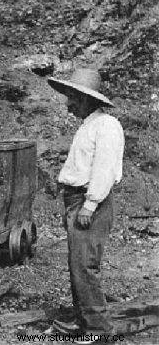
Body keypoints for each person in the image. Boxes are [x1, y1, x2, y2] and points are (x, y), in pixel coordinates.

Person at [47, 69, 124, 341]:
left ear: (86, 99)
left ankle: (100, 331)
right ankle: (84, 322)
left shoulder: (107, 126)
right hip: (77, 198)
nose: (68, 104)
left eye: (72, 98)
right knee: (76, 264)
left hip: (90, 200)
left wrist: (89, 205)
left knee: (85, 266)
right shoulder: (89, 125)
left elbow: (104, 169)